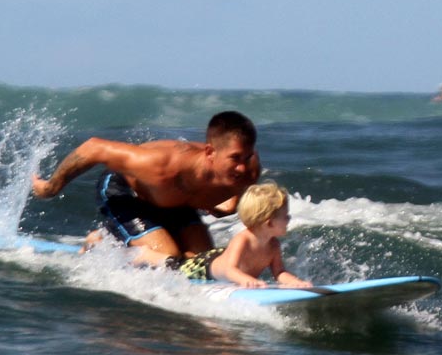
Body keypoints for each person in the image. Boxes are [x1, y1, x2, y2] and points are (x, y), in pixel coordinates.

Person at [30, 110, 260, 269]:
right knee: (169, 260)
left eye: (247, 156)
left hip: (174, 201)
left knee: (202, 261)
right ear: (210, 153)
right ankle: (101, 241)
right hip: (127, 193)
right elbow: (94, 148)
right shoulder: (160, 164)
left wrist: (229, 206)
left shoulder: (248, 169)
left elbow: (242, 184)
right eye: (234, 158)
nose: (242, 166)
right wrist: (50, 188)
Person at [198, 181, 310, 288]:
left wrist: (295, 282)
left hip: (223, 256)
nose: (289, 218)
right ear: (269, 223)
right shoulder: (242, 240)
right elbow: (230, 270)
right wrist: (246, 280)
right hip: (203, 268)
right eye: (285, 216)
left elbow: (279, 272)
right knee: (181, 265)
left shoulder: (274, 245)